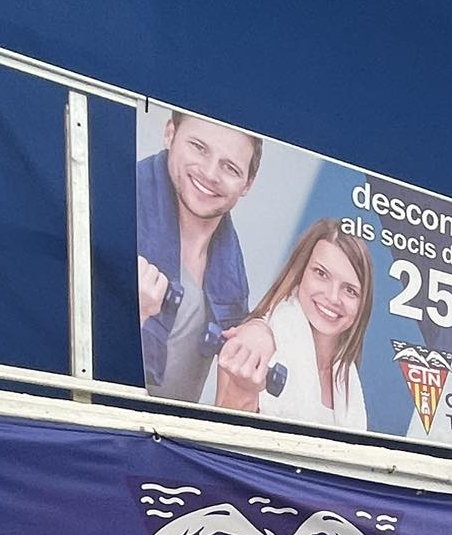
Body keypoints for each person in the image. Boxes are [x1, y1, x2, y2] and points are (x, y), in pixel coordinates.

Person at [137, 111, 261, 403]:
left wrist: (258, 330)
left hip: (169, 432)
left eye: (230, 167)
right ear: (170, 134)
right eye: (199, 147)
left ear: (247, 184)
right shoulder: (112, 207)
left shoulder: (232, 276)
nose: (210, 173)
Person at [215, 220, 374, 431]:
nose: (333, 297)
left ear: (362, 305)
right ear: (301, 273)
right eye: (321, 274)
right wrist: (243, 389)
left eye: (350, 290)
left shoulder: (347, 379)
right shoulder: (252, 342)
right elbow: (220, 439)